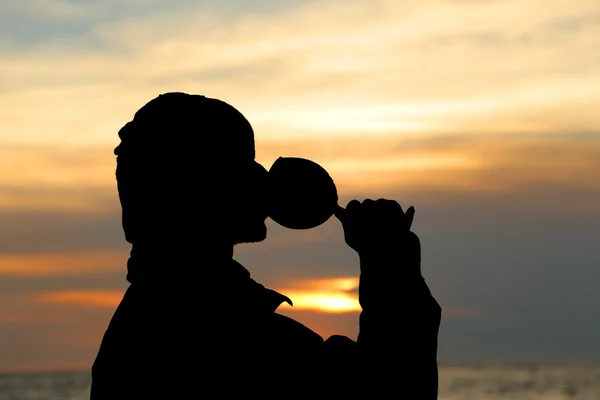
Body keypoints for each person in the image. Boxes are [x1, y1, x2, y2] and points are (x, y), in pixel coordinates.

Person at [90, 92, 442, 399]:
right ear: (203, 184)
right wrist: (390, 263)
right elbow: (396, 391)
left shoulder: (146, 324)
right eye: (243, 161)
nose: (262, 175)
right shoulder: (233, 339)